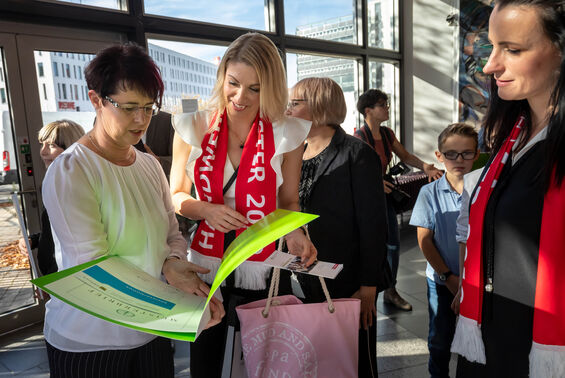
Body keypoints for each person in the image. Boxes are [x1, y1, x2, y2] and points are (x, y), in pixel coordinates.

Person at [41, 43, 224, 378]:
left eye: (148, 107)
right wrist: (180, 309)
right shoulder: (72, 170)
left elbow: (172, 234)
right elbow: (96, 269)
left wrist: (172, 263)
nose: (141, 120)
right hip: (91, 338)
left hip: (151, 331)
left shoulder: (149, 165)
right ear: (96, 100)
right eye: (128, 108)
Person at [169, 32, 317, 377]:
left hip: (263, 262)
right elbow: (175, 194)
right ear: (221, 76)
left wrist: (296, 230)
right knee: (206, 356)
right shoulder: (192, 118)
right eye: (233, 83)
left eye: (255, 88)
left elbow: (289, 200)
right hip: (206, 262)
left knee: (261, 359)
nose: (240, 97)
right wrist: (205, 210)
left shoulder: (286, 130)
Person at [450, 1, 564, 377]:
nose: (489, 65)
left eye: (512, 50)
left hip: (538, 348)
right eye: (492, 47)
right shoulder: (509, 140)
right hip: (489, 337)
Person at [286, 77, 389, 378]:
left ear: (319, 106)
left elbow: (373, 225)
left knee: (353, 360)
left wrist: (368, 286)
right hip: (301, 276)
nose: (287, 109)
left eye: (295, 102)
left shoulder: (357, 154)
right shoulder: (292, 152)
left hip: (346, 279)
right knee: (315, 358)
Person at [409, 123, 479, 378]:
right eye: (451, 154)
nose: (459, 160)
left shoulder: (483, 188)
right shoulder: (429, 193)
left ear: (477, 152)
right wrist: (448, 277)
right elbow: (425, 241)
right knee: (440, 338)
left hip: (476, 281)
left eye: (466, 153)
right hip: (442, 279)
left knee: (475, 342)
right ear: (439, 156)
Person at [18, 119, 85, 275]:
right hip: (55, 274)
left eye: (52, 145)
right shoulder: (55, 183)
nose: (43, 152)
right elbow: (56, 229)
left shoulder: (77, 187)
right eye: (42, 144)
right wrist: (34, 240)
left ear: (71, 148)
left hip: (69, 275)